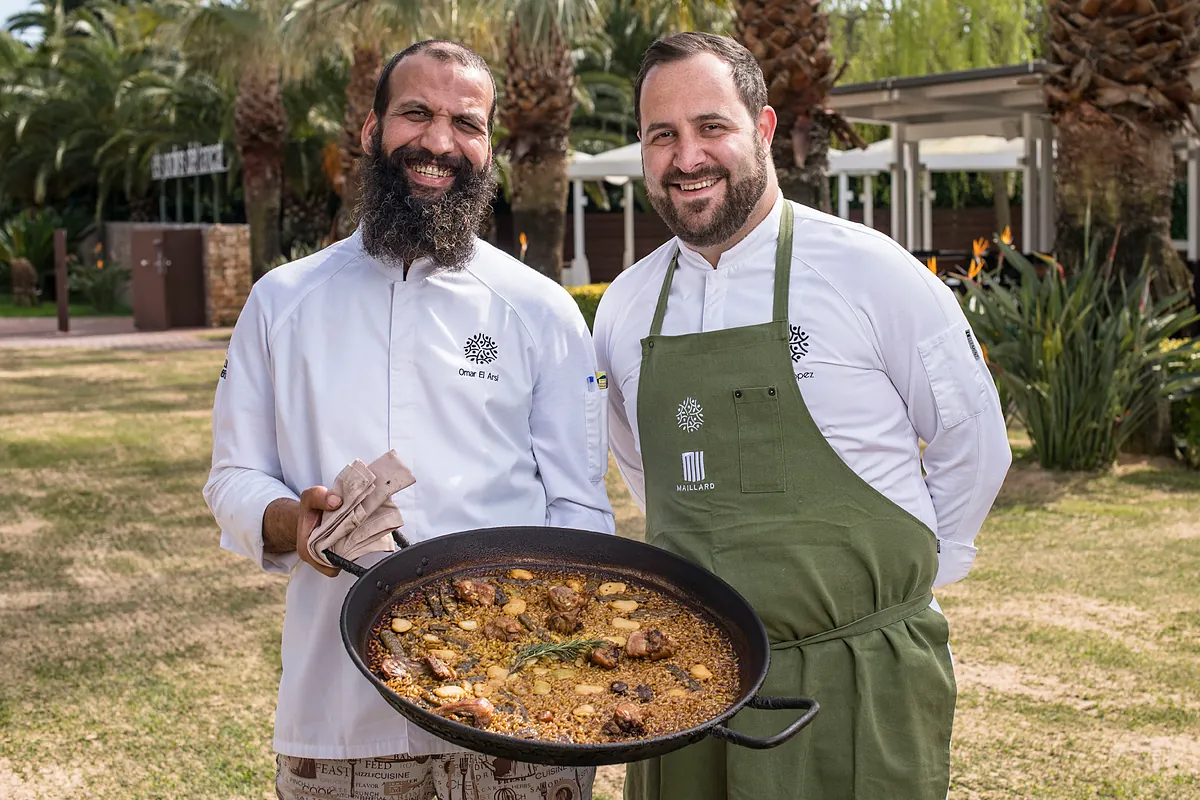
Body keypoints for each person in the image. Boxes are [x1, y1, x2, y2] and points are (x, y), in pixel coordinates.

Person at [592, 32, 1012, 800]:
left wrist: (904, 587)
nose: (687, 157)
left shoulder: (872, 272)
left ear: (763, 127)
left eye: (711, 127)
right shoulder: (624, 306)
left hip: (855, 682)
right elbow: (644, 466)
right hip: (687, 688)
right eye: (663, 136)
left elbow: (974, 442)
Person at [203, 39, 613, 800]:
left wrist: (549, 667)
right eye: (415, 114)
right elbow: (232, 476)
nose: (438, 143)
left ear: (489, 148)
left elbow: (579, 508)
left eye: (466, 123)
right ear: (370, 130)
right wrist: (293, 522)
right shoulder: (282, 301)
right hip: (341, 725)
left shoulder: (539, 309)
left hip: (520, 728)